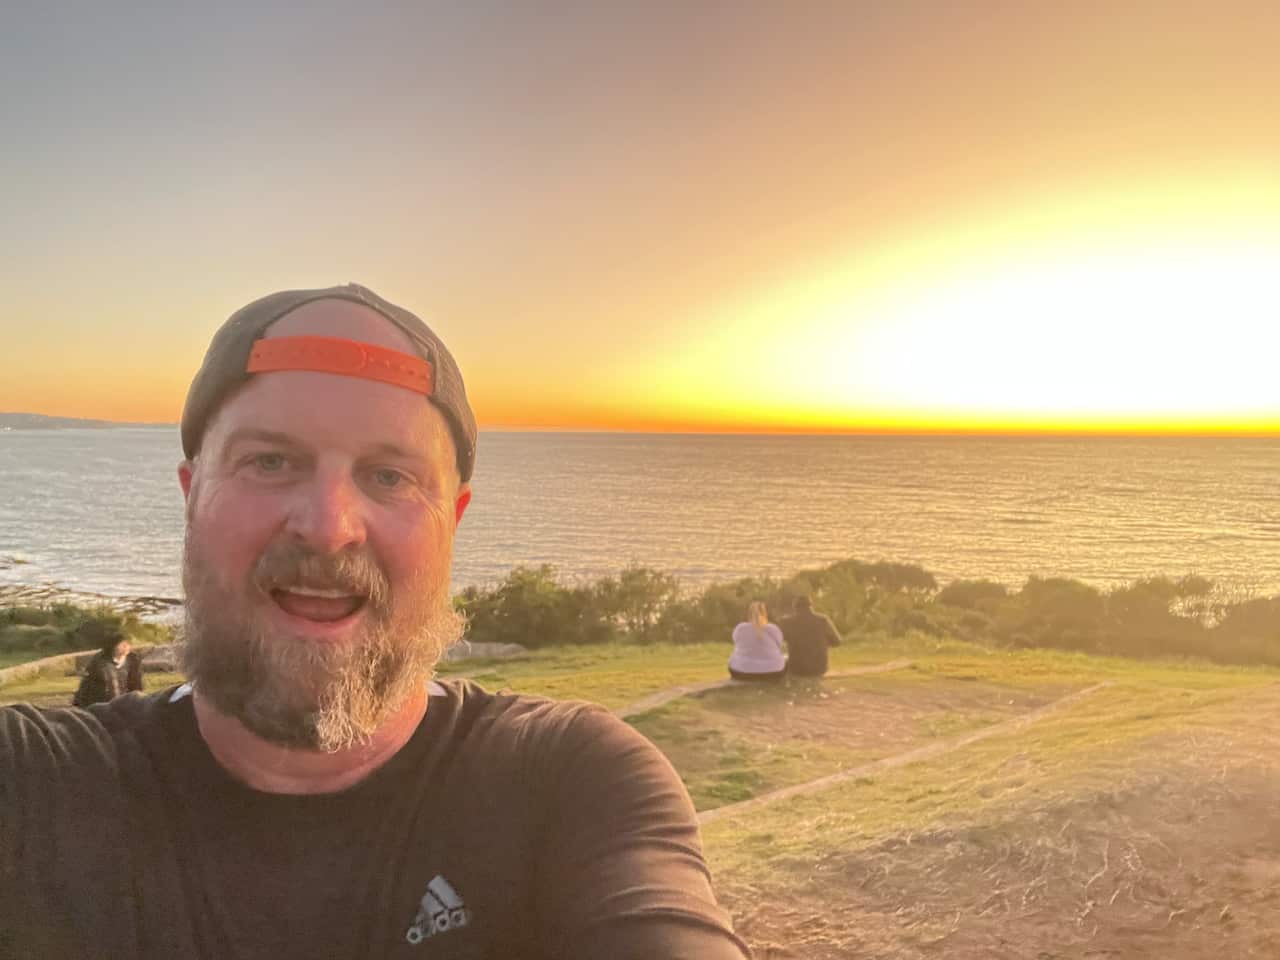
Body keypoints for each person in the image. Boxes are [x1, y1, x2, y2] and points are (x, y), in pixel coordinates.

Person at [0, 283, 749, 959]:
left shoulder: (566, 782)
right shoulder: (32, 784)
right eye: (269, 461)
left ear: (452, 522)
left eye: (389, 476)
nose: (329, 528)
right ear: (192, 495)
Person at [71, 631, 144, 707]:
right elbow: (87, 689)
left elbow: (136, 685)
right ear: (112, 646)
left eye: (127, 643)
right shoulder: (100, 663)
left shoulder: (133, 659)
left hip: (125, 704)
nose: (126, 646)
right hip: (101, 705)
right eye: (121, 643)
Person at [778, 594, 842, 677]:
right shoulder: (823, 620)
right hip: (820, 668)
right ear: (811, 606)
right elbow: (837, 642)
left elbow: (777, 642)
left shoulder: (787, 622)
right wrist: (820, 644)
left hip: (797, 669)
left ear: (795, 607)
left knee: (783, 659)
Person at [728, 600, 787, 681]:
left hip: (742, 672)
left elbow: (735, 641)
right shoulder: (773, 628)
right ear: (765, 613)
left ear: (749, 614)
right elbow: (779, 644)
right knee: (784, 658)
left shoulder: (740, 628)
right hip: (773, 672)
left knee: (733, 658)